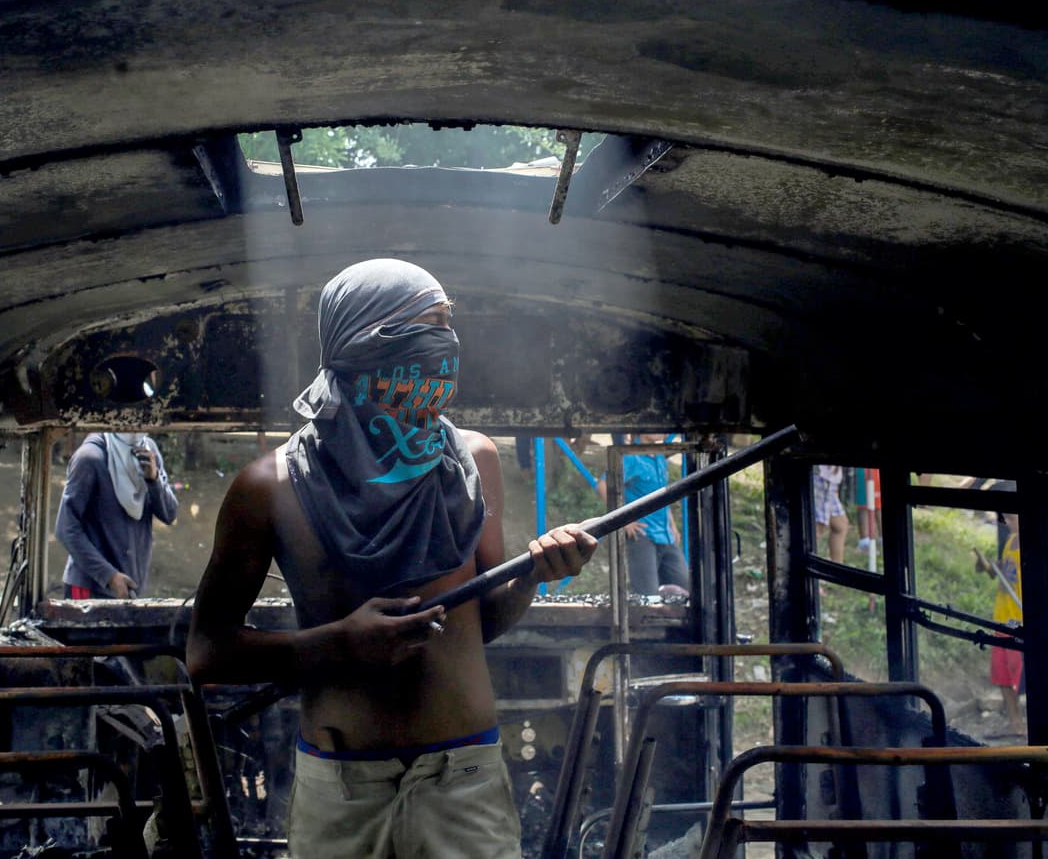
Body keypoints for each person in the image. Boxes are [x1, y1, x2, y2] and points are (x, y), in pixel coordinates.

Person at [185, 258, 597, 858]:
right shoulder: (270, 486)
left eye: (448, 325)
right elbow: (206, 653)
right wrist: (339, 644)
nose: (445, 344)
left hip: (466, 781)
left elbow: (481, 624)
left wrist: (535, 575)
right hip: (342, 789)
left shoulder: (473, 461)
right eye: (427, 326)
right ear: (361, 341)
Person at [56, 432, 179, 599]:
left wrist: (154, 480)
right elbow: (66, 529)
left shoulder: (149, 451)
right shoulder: (90, 458)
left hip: (129, 588)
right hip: (91, 588)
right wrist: (109, 576)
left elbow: (169, 514)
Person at [598, 433, 691, 596]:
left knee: (684, 588)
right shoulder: (631, 458)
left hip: (665, 535)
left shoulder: (660, 457)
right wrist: (623, 520)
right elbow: (604, 485)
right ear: (642, 431)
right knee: (648, 595)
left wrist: (672, 525)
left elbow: (661, 495)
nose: (663, 432)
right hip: (642, 535)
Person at [976, 507, 1025, 737]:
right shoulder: (1011, 540)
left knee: (1022, 675)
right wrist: (985, 566)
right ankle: (1015, 723)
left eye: (1012, 517)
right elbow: (1000, 573)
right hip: (1001, 619)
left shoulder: (1032, 546)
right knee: (1003, 676)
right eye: (1007, 518)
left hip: (1020, 622)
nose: (1007, 521)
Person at [812, 464, 849, 563]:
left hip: (828, 480)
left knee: (840, 525)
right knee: (815, 529)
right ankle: (801, 571)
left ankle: (837, 569)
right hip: (822, 478)